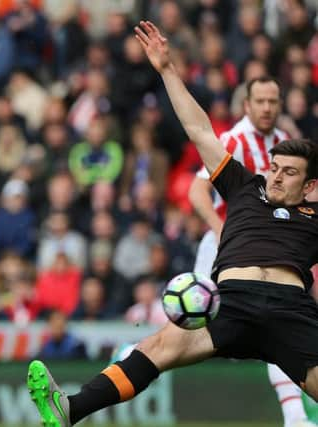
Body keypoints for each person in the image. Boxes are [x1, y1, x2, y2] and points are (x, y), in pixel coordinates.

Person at [26, 21, 318, 427]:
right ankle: (70, 409)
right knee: (158, 345)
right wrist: (167, 70)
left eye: (289, 173)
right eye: (274, 167)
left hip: (291, 311)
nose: (277, 176)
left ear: (310, 186)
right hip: (232, 301)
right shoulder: (245, 186)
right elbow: (198, 129)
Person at [189, 74, 313, 426]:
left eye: (273, 101)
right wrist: (222, 230)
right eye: (260, 101)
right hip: (223, 245)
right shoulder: (233, 139)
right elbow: (197, 192)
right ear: (246, 104)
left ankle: (294, 416)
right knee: (186, 326)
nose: (267, 108)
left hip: (266, 250)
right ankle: (130, 356)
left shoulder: (286, 143)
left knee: (276, 319)